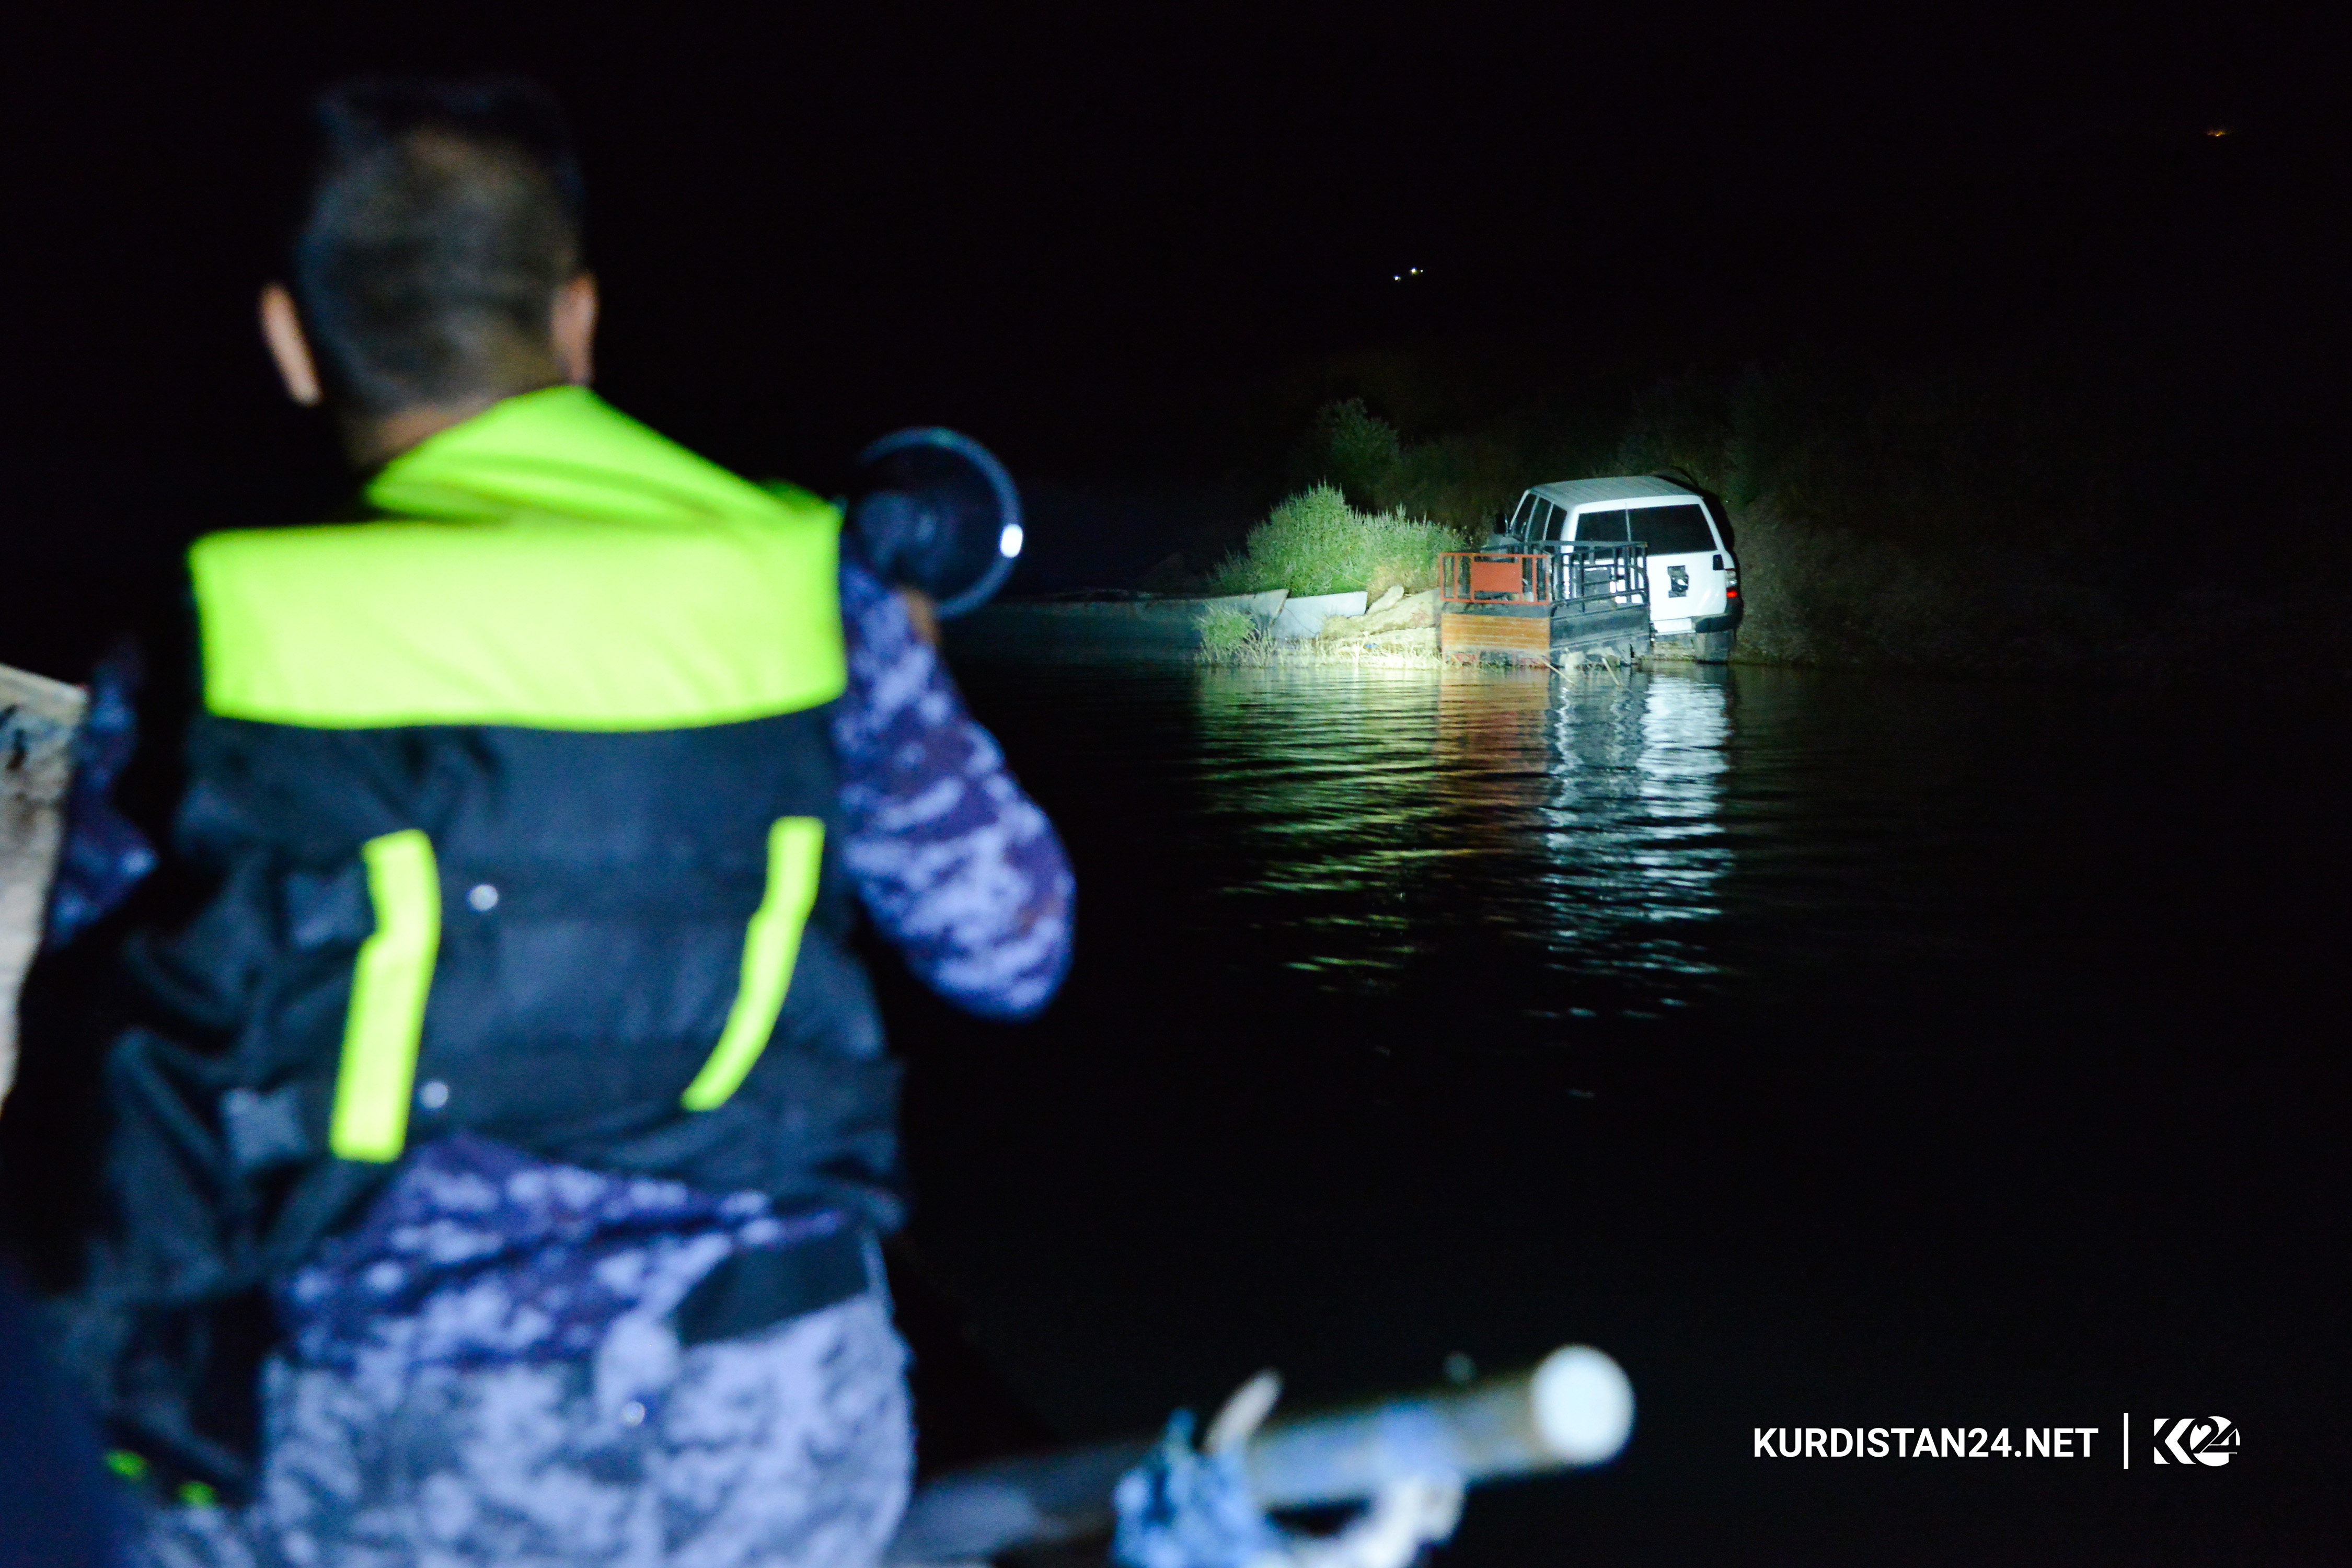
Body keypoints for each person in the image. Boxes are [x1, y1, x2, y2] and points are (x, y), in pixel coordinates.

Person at [80, 76, 1072, 1567]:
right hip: (763, 1438)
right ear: (577, 319)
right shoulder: (813, 597)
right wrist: (902, 684)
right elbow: (1013, 947)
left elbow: (88, 1007)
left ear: (293, 340)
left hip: (382, 1458)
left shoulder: (202, 644)